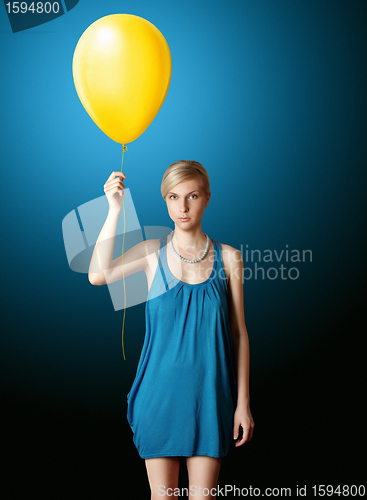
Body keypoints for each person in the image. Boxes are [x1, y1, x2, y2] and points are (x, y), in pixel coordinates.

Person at [88, 160, 254, 500]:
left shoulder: (229, 259)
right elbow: (97, 275)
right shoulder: (153, 253)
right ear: (165, 200)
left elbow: (239, 334)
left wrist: (243, 404)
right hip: (159, 397)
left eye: (192, 196)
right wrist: (114, 209)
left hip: (209, 398)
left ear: (207, 198)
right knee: (163, 497)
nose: (183, 206)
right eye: (174, 197)